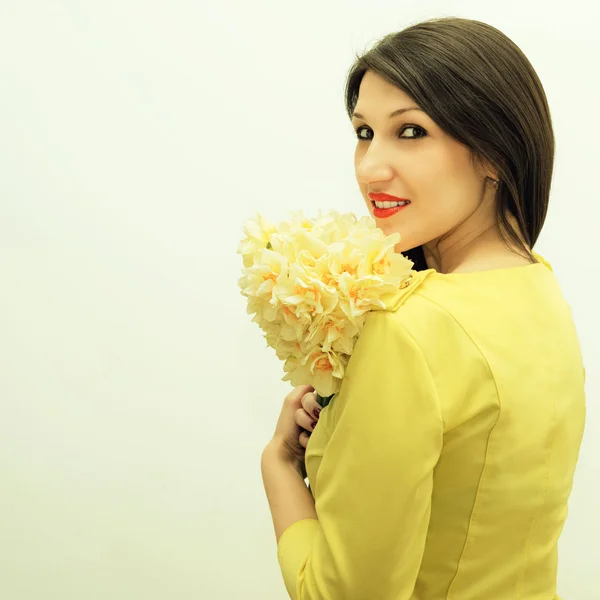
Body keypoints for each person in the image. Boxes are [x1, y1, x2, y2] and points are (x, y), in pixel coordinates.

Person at [260, 16, 586, 600]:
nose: (370, 167)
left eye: (410, 132)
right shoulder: (539, 287)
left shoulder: (411, 328)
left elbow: (343, 593)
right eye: (364, 132)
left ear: (493, 152)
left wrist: (281, 467)